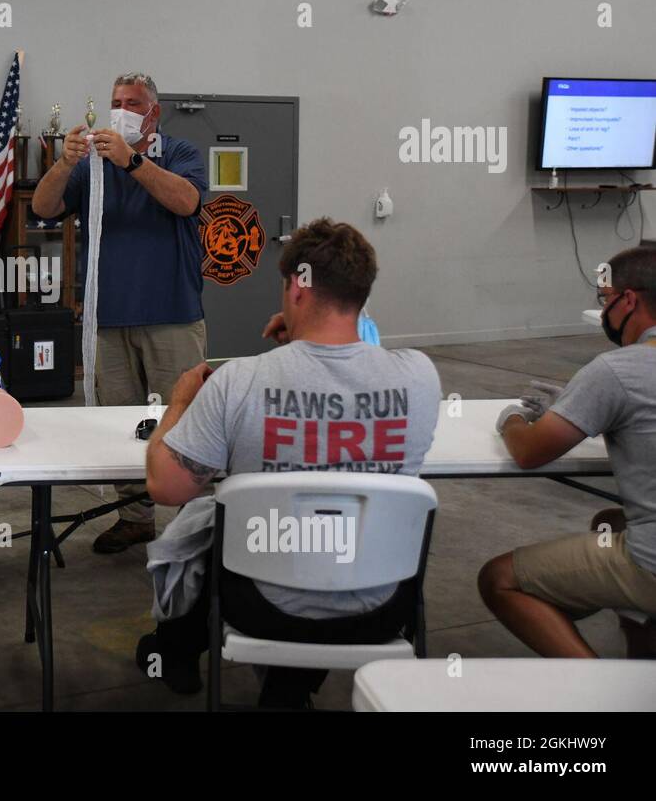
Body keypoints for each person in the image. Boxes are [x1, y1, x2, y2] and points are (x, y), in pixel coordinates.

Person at [139, 219, 441, 707]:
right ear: (362, 295)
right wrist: (312, 338)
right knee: (331, 542)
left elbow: (166, 486)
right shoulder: (421, 378)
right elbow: (357, 366)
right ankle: (288, 688)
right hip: (383, 608)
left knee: (204, 524)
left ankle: (175, 651)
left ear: (297, 289)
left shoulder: (238, 381)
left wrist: (179, 403)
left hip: (263, 607)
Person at [32, 72, 208, 554]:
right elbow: (46, 208)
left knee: (188, 419)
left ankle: (201, 519)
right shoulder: (92, 163)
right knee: (118, 423)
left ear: (153, 112)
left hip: (171, 313)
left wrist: (133, 163)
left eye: (132, 102)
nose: (120, 110)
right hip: (107, 317)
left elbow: (186, 200)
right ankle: (134, 517)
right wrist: (62, 164)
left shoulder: (179, 154)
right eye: (115, 101)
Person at [479, 245, 656, 658]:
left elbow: (530, 452)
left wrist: (512, 421)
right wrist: (587, 411)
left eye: (605, 299)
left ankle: (600, 688)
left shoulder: (617, 369)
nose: (604, 311)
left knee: (498, 578)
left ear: (629, 300)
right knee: (609, 521)